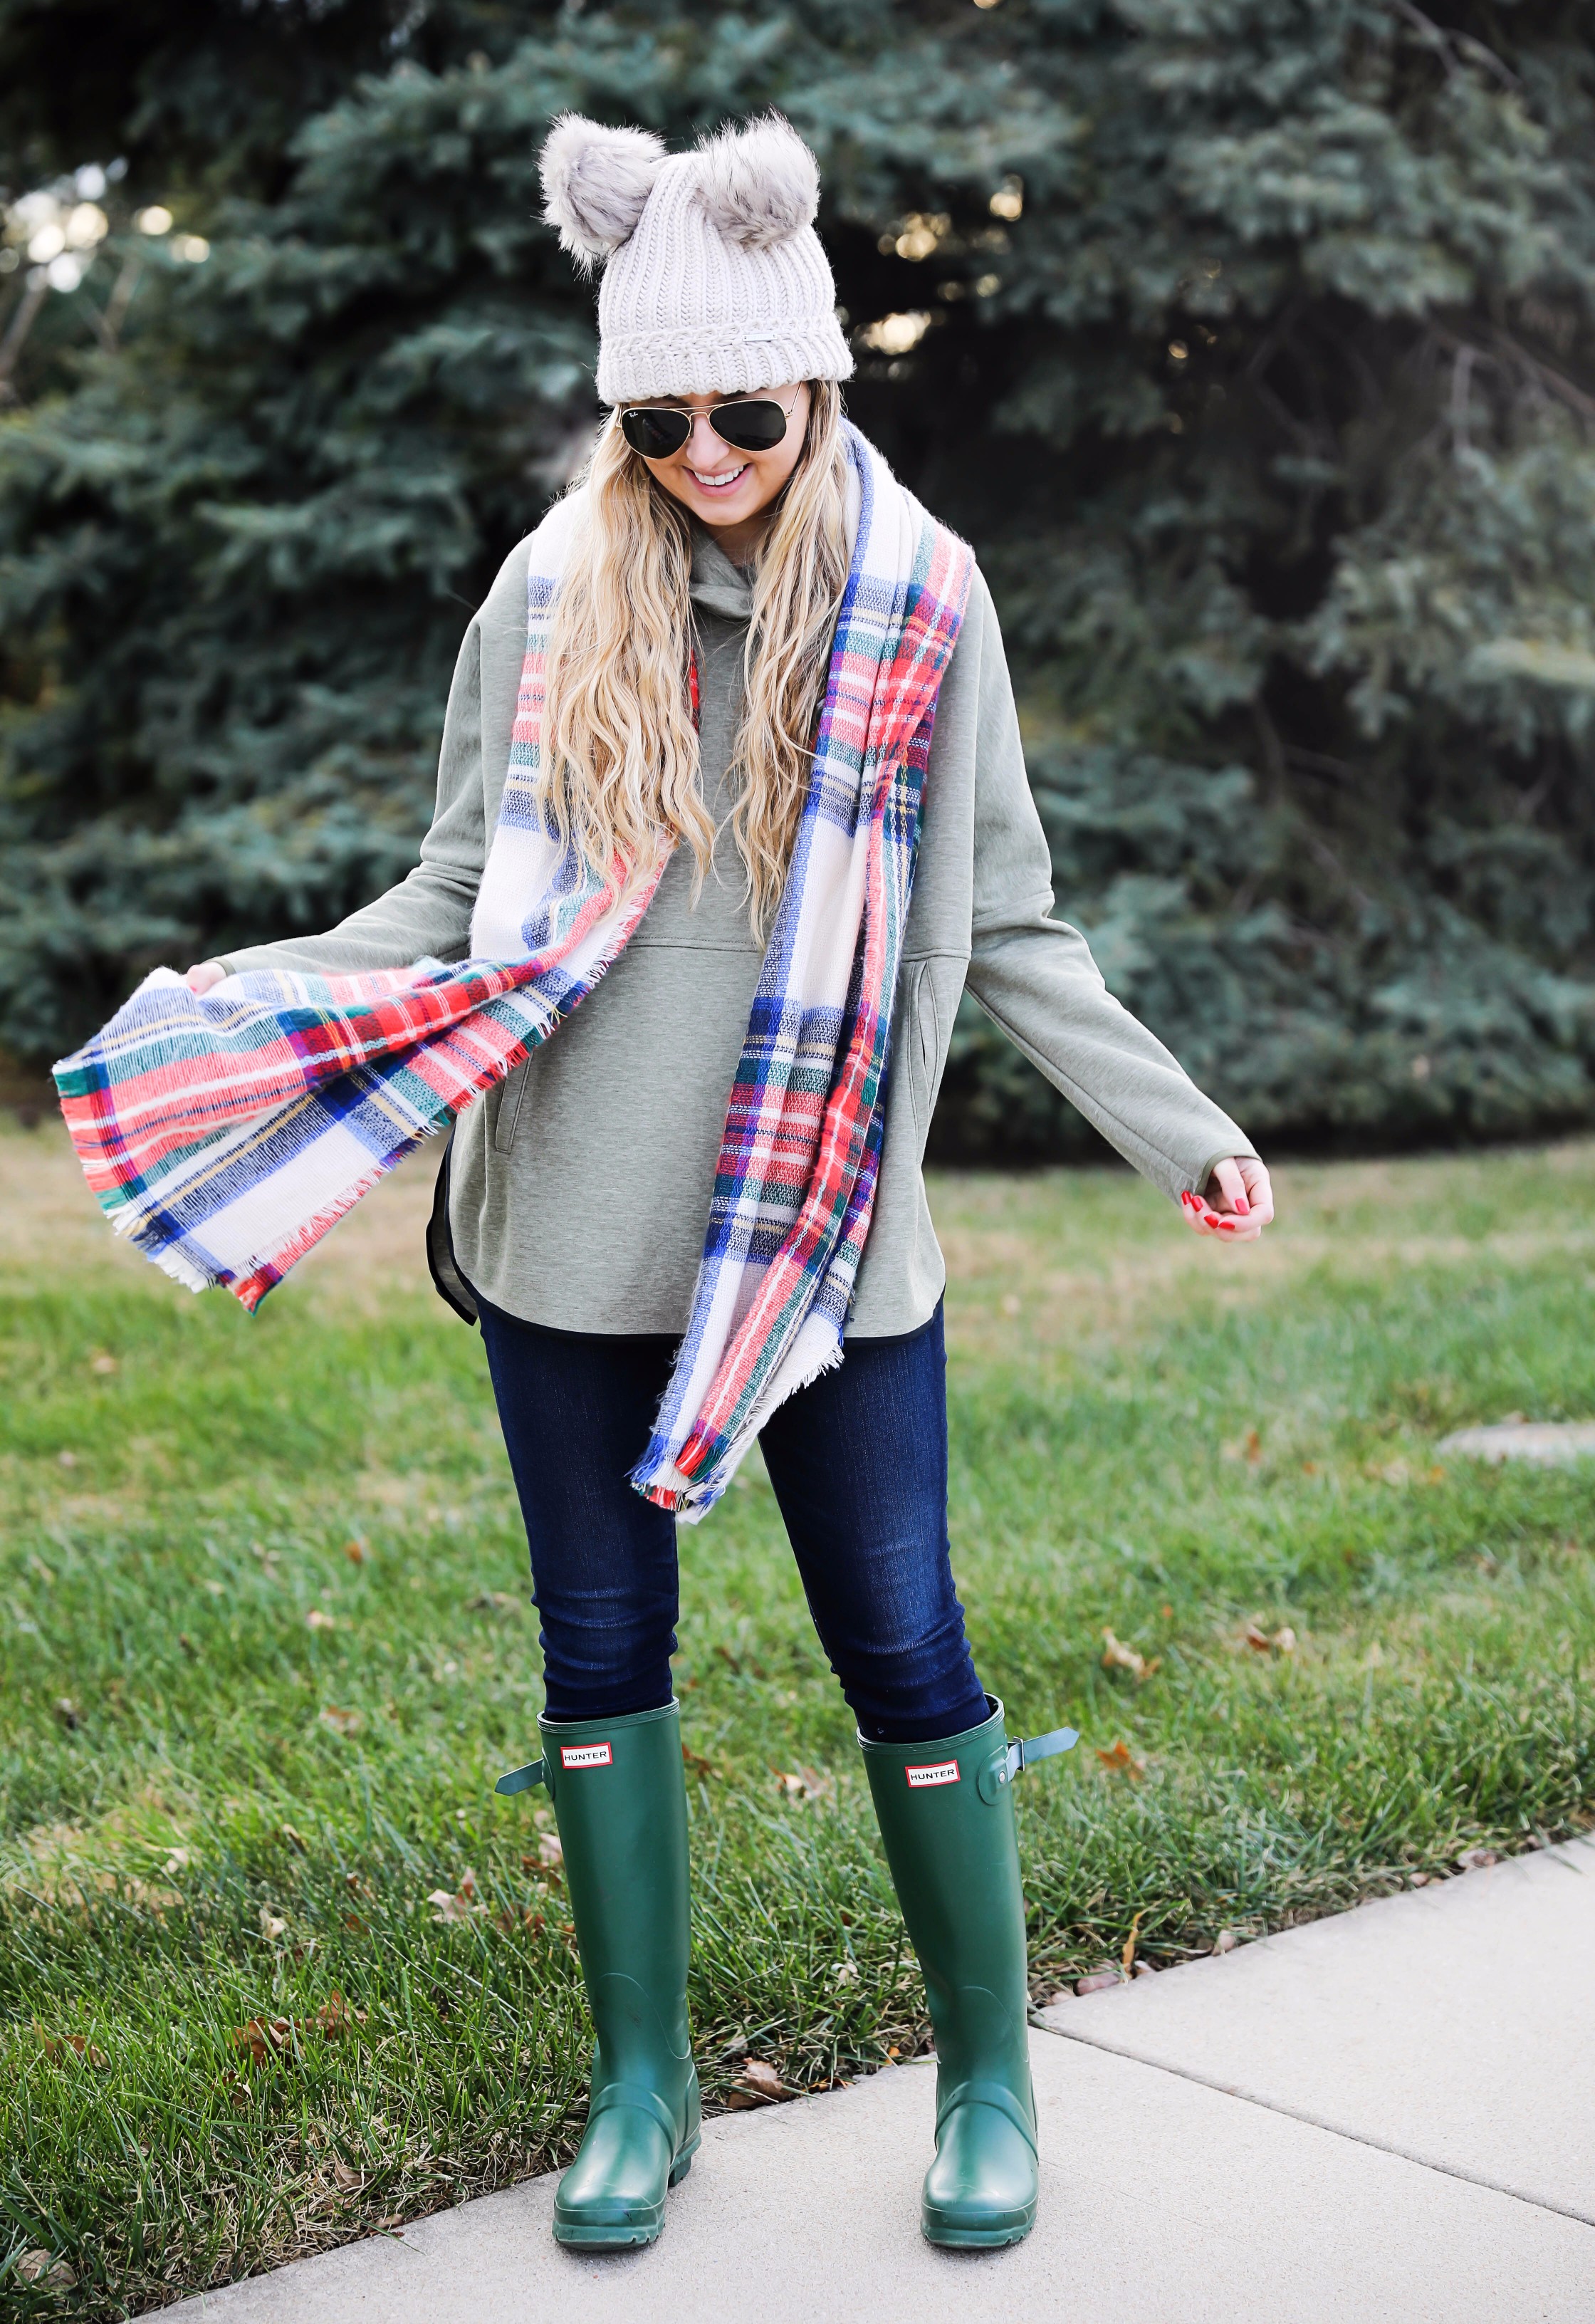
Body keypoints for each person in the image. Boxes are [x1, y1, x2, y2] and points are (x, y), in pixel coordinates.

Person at [181, 115, 1272, 2253]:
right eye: (655, 415)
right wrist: (233, 1006)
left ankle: (986, 2080)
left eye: (741, 410)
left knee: (903, 1638)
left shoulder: (921, 602)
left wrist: (1179, 1125)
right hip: (569, 1238)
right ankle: (643, 2088)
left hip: (833, 1241)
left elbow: (1017, 919)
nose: (701, 450)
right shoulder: (547, 593)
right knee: (601, 1651)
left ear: (818, 384)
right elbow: (440, 892)